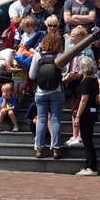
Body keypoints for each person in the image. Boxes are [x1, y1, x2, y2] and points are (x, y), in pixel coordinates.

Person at [29, 31, 65, 159]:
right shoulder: (59, 55)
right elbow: (65, 71)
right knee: (55, 119)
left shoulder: (37, 56)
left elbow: (31, 75)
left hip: (40, 92)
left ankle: (39, 148)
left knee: (42, 119)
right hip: (56, 91)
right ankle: (56, 148)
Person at [63, 25, 96, 147]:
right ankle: (74, 134)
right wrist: (66, 75)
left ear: (81, 37)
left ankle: (81, 136)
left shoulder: (88, 51)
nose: (71, 39)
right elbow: (65, 63)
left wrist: (82, 72)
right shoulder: (70, 48)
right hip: (71, 81)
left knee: (80, 109)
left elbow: (94, 68)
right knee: (73, 109)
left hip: (82, 81)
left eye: (73, 36)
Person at [73, 55, 100, 176]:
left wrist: (78, 116)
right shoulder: (94, 79)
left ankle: (91, 166)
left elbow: (84, 99)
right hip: (92, 111)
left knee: (87, 141)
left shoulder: (87, 80)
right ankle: (89, 165)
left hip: (86, 113)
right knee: (88, 140)